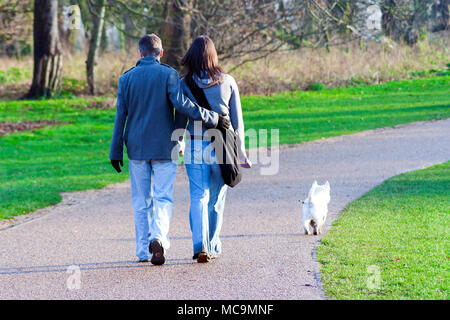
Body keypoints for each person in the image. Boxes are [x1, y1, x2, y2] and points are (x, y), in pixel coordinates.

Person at [109, 34, 230, 266]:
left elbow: (120, 116)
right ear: (161, 53)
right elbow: (183, 106)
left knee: (141, 201)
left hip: (136, 149)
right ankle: (159, 237)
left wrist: (115, 151)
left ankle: (143, 251)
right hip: (167, 147)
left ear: (140, 53)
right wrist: (212, 117)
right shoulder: (169, 75)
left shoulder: (126, 79)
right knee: (163, 196)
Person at [175, 36, 251, 263]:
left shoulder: (183, 84)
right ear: (213, 56)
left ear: (192, 56)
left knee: (198, 196)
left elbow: (180, 119)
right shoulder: (228, 81)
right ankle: (213, 245)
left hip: (195, 144)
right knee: (216, 199)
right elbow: (238, 122)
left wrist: (179, 141)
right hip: (222, 147)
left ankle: (200, 244)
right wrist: (242, 151)